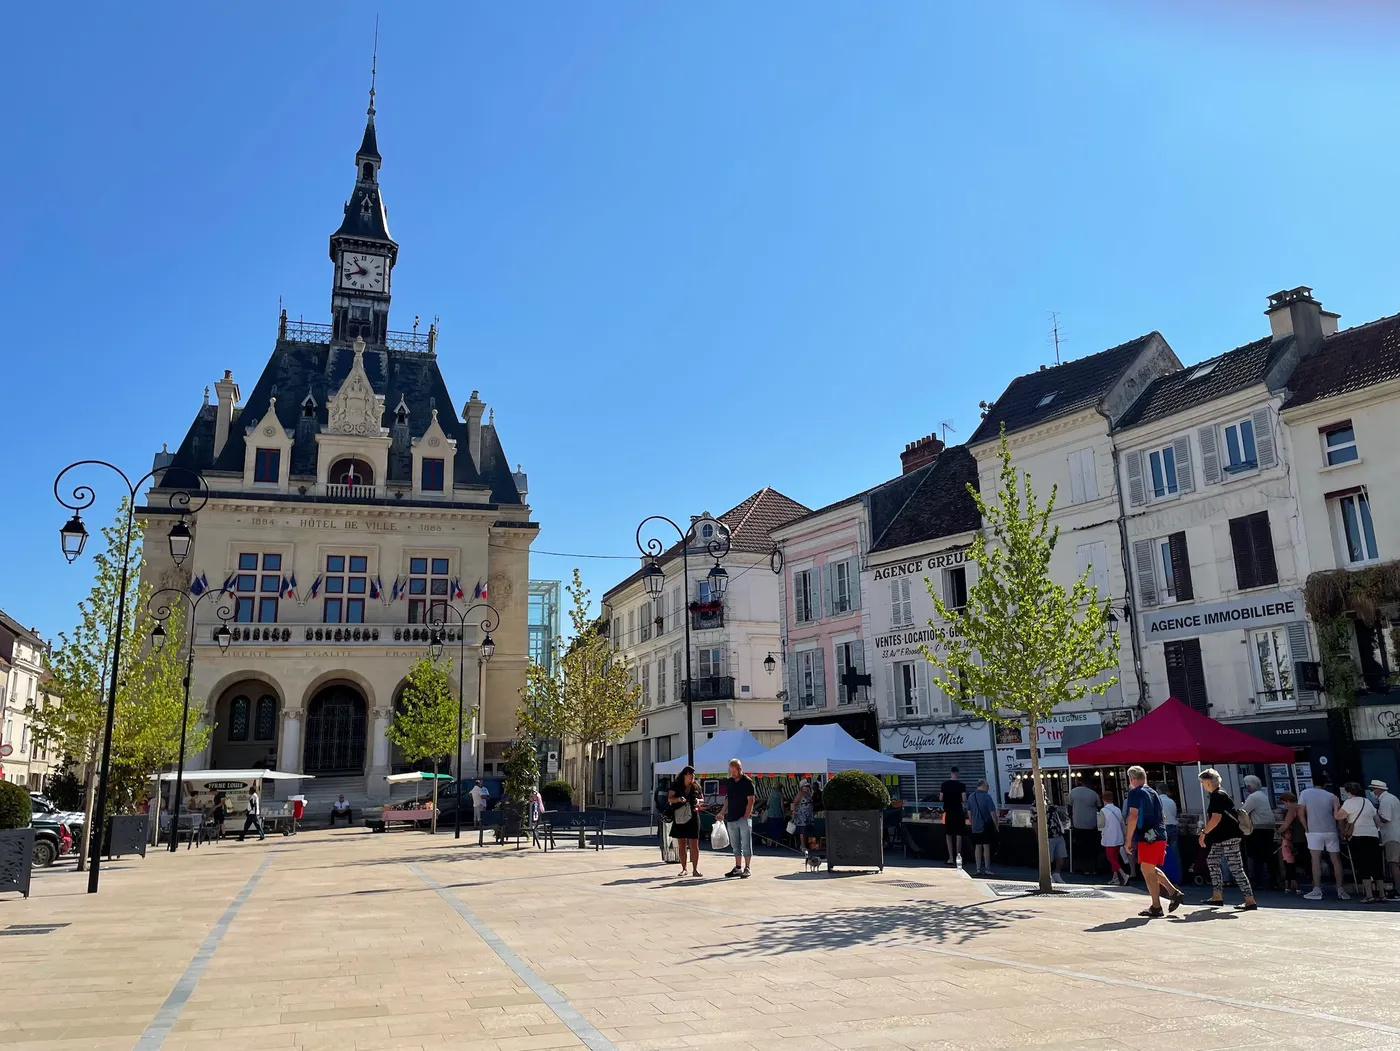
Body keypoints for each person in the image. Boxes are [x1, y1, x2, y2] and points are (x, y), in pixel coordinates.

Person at [1123, 765, 1184, 917]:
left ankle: (1157, 905)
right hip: (1159, 834)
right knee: (1149, 868)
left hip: (1147, 836)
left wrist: (1128, 839)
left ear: (1131, 778)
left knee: (1147, 870)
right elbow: (1162, 816)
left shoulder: (1136, 793)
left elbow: (1133, 816)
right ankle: (1172, 892)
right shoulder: (1153, 792)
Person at [1198, 768, 1255, 910]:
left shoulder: (1218, 796)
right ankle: (1217, 895)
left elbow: (1215, 818)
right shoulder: (1219, 794)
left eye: (1202, 782)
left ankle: (1250, 900)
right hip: (1221, 837)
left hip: (1229, 837)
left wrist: (1204, 833)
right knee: (1212, 861)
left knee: (1236, 867)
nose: (1202, 785)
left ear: (1208, 782)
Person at [1299, 774, 1349, 901]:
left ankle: (1317, 889)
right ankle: (1340, 889)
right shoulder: (1331, 796)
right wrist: (1341, 831)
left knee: (1315, 860)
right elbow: (1338, 815)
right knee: (1336, 860)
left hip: (1314, 830)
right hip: (1331, 830)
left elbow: (1301, 813)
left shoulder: (1305, 793)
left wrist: (1306, 827)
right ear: (1325, 784)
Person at [1337, 782, 1384, 903]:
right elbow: (1377, 821)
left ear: (1348, 792)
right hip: (1372, 835)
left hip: (1358, 836)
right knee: (1376, 864)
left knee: (1363, 866)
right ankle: (1382, 894)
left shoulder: (1349, 803)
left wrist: (1337, 807)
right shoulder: (1367, 801)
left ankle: (1369, 895)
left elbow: (1339, 816)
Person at [1240, 775, 1277, 893]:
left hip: (1259, 828)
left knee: (1256, 856)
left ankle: (1257, 880)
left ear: (1250, 786)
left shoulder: (1253, 797)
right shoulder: (1262, 795)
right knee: (1268, 855)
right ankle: (1273, 880)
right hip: (1268, 828)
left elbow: (1243, 811)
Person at [723, 758, 757, 878]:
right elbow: (728, 799)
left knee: (746, 844)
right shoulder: (730, 782)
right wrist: (722, 812)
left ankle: (747, 867)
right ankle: (738, 867)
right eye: (731, 771)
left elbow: (751, 800)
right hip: (731, 817)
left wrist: (746, 816)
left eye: (734, 771)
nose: (732, 774)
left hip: (743, 817)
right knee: (735, 845)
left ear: (740, 769)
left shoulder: (747, 782)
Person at [667, 766, 703, 878]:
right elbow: (669, 798)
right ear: (685, 775)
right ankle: (684, 868)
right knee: (682, 844)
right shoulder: (676, 785)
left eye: (693, 775)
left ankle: (695, 869)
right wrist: (678, 799)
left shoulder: (696, 786)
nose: (692, 777)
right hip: (680, 816)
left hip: (693, 816)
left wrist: (698, 801)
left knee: (694, 844)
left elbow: (702, 799)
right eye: (690, 774)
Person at [1069, 775, 1103, 875]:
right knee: (1092, 847)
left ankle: (1084, 868)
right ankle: (1094, 868)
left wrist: (1072, 819)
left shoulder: (1073, 792)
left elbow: (1069, 807)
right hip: (1091, 824)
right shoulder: (1094, 794)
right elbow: (1100, 808)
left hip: (1077, 823)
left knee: (1081, 847)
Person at [1373, 779, 1400, 899]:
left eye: (1373, 789)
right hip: (1396, 833)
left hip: (1391, 835)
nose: (1372, 792)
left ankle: (1398, 890)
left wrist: (1374, 814)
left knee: (1393, 863)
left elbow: (1385, 818)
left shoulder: (1385, 800)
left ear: (1378, 790)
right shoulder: (1393, 798)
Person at [1276, 792, 1307, 894]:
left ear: (1288, 801)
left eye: (1285, 803)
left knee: (1292, 864)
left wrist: (1278, 831)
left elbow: (1286, 824)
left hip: (1297, 838)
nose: (1285, 805)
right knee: (1305, 861)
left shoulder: (1292, 810)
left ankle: (1294, 886)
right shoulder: (1302, 807)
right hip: (1305, 836)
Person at [967, 779, 999, 877]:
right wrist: (996, 825)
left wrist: (973, 822)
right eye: (987, 786)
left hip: (975, 826)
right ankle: (987, 868)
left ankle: (977, 868)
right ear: (983, 786)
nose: (988, 788)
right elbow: (992, 812)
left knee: (977, 846)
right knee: (986, 846)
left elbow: (969, 812)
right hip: (985, 826)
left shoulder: (971, 797)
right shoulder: (987, 797)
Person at [940, 766, 968, 867]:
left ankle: (951, 858)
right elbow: (964, 799)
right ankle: (958, 857)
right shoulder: (961, 785)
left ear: (951, 773)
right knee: (959, 835)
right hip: (959, 812)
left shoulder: (944, 785)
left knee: (948, 834)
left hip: (948, 812)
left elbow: (940, 798)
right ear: (958, 773)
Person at [1099, 790, 1127, 885]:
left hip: (1109, 837)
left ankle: (1123, 875)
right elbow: (1122, 823)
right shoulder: (1117, 809)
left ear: (1103, 799)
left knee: (1111, 858)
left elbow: (1101, 824)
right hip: (1118, 836)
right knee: (1115, 858)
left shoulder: (1103, 811)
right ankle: (1115, 878)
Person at [1046, 802, 1069, 884]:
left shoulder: (1050, 804)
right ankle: (1049, 875)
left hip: (1059, 834)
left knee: (1061, 856)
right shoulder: (1035, 806)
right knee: (1049, 858)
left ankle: (1057, 874)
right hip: (1049, 835)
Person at [792, 778, 815, 854]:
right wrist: (794, 812)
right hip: (802, 814)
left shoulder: (808, 794)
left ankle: (806, 844)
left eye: (807, 786)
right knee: (802, 830)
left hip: (808, 814)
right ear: (802, 787)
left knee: (807, 830)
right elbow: (794, 803)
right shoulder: (800, 794)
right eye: (805, 786)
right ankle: (802, 845)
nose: (807, 788)